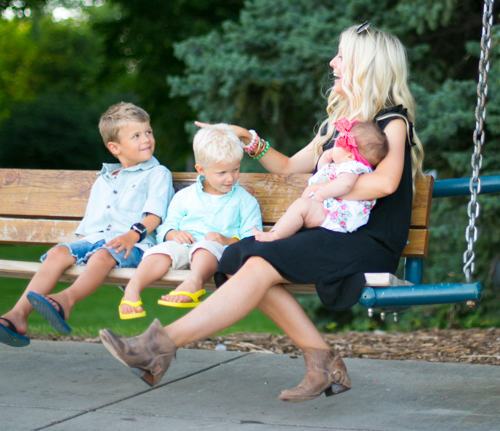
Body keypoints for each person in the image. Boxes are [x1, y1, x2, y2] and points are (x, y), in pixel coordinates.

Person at [99, 23, 424, 403]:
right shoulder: (339, 128)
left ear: (365, 67)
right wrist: (246, 138)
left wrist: (325, 187)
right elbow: (288, 167)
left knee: (252, 258)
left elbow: (385, 184)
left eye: (341, 56)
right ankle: (322, 362)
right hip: (331, 231)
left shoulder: (391, 122)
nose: (333, 63)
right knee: (241, 257)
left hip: (366, 239)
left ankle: (156, 348)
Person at [0, 103, 173, 345]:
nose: (146, 139)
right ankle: (18, 315)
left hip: (134, 244)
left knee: (101, 256)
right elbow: (90, 224)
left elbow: (155, 215)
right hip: (96, 240)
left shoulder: (157, 173)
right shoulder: (104, 180)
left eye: (148, 132)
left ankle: (66, 300)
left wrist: (131, 236)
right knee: (58, 253)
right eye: (136, 136)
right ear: (115, 147)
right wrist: (75, 251)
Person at [119, 124, 262, 320]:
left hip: (216, 253)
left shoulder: (245, 201)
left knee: (205, 247)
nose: (230, 178)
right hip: (182, 247)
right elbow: (165, 228)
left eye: (235, 170)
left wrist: (226, 240)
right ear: (201, 169)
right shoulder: (184, 197)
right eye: (222, 173)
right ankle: (133, 288)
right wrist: (173, 234)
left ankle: (194, 282)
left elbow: (252, 240)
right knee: (162, 251)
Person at [251, 119, 388, 242]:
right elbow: (322, 175)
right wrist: (325, 158)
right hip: (328, 212)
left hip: (336, 218)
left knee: (301, 206)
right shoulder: (342, 166)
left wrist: (322, 194)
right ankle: (273, 233)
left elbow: (345, 184)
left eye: (339, 142)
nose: (334, 143)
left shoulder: (352, 168)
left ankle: (275, 237)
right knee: (299, 206)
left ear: (350, 156)